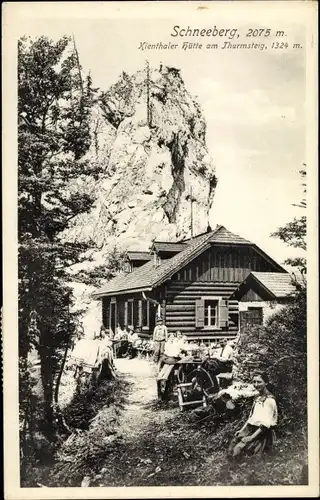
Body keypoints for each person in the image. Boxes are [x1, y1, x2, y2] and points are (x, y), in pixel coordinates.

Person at [228, 372, 278, 459]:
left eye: (259, 382)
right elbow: (251, 417)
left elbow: (266, 424)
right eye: (254, 382)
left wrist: (251, 437)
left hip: (262, 432)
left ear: (266, 382)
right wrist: (242, 430)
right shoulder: (257, 397)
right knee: (233, 442)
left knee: (239, 449)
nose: (256, 384)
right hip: (252, 428)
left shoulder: (269, 400)